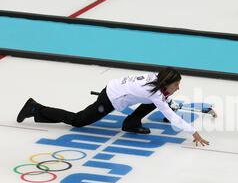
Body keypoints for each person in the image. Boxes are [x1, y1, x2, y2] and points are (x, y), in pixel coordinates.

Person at [16, 67, 210, 147]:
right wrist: (193, 132)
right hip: (108, 99)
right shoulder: (155, 93)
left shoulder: (155, 81)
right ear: (167, 83)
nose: (178, 88)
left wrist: (168, 103)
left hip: (115, 88)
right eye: (176, 85)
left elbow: (162, 100)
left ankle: (131, 123)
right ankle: (35, 108)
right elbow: (167, 108)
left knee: (156, 103)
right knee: (78, 121)